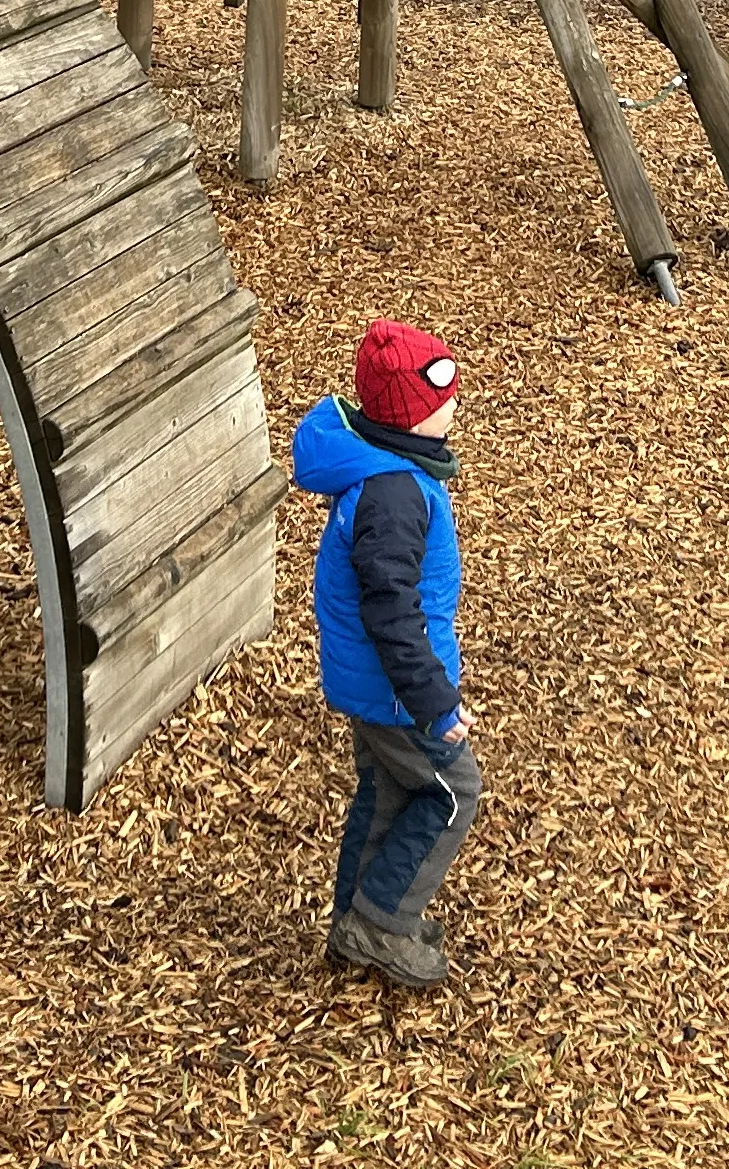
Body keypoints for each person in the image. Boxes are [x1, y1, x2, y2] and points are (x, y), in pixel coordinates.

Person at [289, 319, 477, 989]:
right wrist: (433, 699)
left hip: (376, 684)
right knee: (453, 792)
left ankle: (356, 920)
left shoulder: (388, 472)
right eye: (444, 397)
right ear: (412, 415)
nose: (455, 406)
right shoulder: (395, 495)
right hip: (394, 690)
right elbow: (391, 610)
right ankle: (380, 924)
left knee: (389, 792)